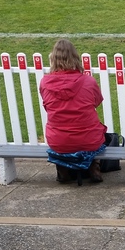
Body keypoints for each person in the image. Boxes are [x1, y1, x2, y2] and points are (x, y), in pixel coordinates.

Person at [38, 39, 107, 183]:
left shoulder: (45, 82)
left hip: (58, 140)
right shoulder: (88, 81)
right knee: (96, 136)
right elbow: (96, 102)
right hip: (89, 139)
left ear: (53, 59)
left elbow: (47, 106)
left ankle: (63, 170)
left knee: (64, 140)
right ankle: (93, 166)